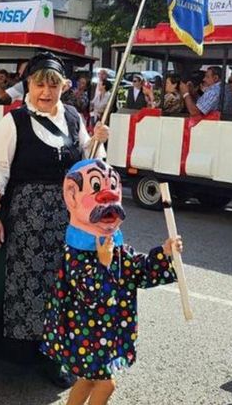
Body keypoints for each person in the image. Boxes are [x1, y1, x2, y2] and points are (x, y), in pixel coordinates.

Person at [0, 52, 109, 389]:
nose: (46, 91)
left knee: (62, 290)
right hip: (25, 226)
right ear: (28, 84)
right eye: (40, 84)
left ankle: (52, 358)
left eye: (53, 85)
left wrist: (98, 141)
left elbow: (89, 163)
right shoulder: (13, 122)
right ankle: (16, 357)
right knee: (24, 291)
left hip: (68, 223)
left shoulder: (73, 118)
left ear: (63, 87)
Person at [41, 159, 181, 405]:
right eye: (96, 187)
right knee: (106, 384)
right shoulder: (77, 251)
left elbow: (139, 270)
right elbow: (90, 293)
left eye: (112, 188)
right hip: (85, 333)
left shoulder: (114, 245)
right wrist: (103, 264)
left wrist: (165, 252)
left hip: (104, 333)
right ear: (72, 195)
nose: (107, 198)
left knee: (86, 380)